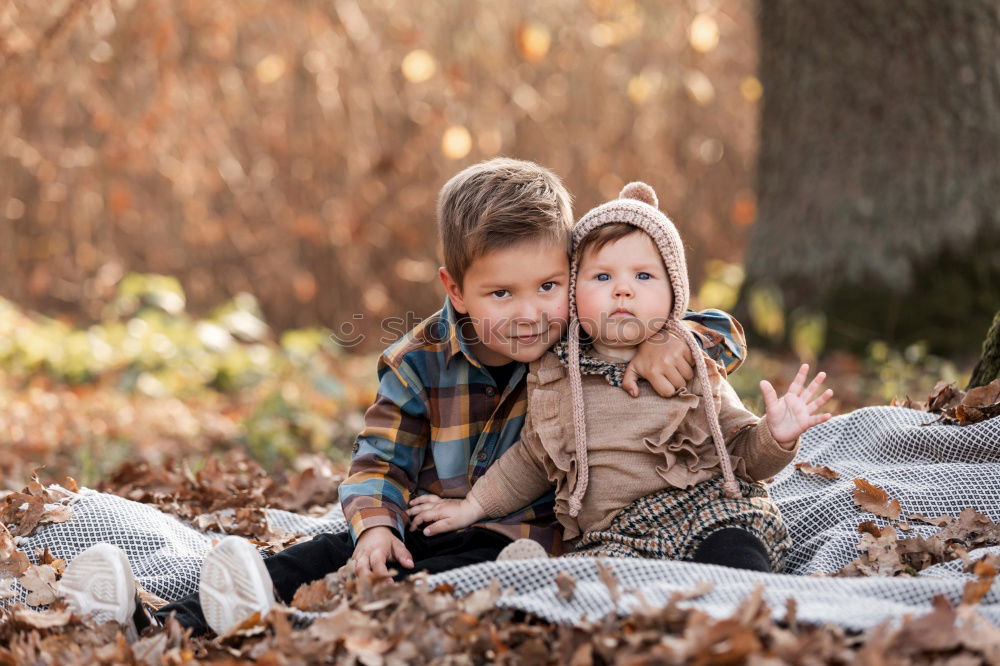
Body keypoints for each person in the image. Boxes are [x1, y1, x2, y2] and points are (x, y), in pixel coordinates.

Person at [61, 161, 749, 637]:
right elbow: (378, 459)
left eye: (546, 287)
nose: (531, 315)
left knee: (440, 573)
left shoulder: (589, 338)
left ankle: (304, 619)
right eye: (500, 295)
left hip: (530, 537)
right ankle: (156, 614)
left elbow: (713, 326)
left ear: (570, 275)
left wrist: (680, 336)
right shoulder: (420, 361)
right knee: (320, 554)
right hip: (426, 519)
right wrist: (377, 526)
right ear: (455, 291)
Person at [408, 182, 834, 571]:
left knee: (733, 545)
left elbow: (743, 455)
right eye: (603, 276)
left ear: (674, 295)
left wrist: (776, 437)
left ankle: (744, 601)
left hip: (705, 510)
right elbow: (531, 460)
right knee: (602, 580)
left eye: (644, 276)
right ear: (573, 292)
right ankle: (536, 580)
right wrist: (471, 508)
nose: (623, 290)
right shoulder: (558, 374)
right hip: (615, 535)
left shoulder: (689, 365)